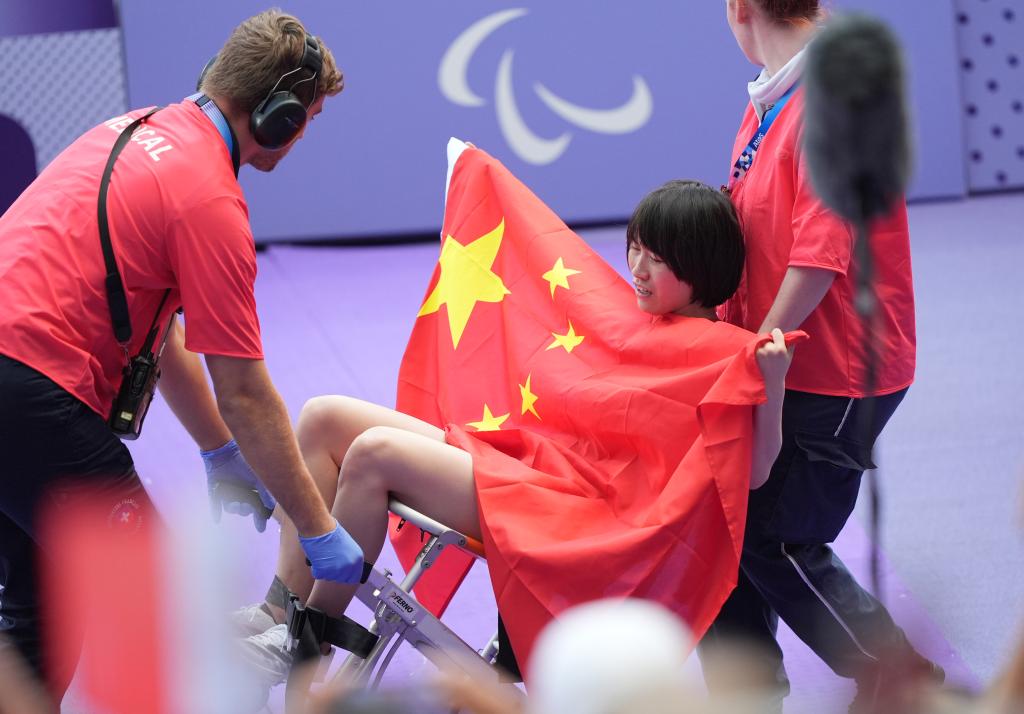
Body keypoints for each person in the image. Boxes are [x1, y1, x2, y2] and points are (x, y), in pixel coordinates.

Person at [233, 178, 797, 699]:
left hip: (569, 513)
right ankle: (280, 612)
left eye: (658, 258)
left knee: (372, 454)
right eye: (634, 249)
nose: (637, 268)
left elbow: (753, 475)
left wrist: (771, 385)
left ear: (700, 264)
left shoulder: (728, 356)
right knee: (323, 416)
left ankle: (304, 641)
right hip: (526, 462)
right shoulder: (628, 318)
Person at [0, 9, 366, 706]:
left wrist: (219, 451)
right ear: (278, 115)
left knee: (34, 620)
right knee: (165, 609)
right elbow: (245, 391)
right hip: (29, 391)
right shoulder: (208, 200)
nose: (302, 136)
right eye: (306, 119)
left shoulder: (134, 128)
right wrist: (317, 528)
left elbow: (156, 330)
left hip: (15, 383)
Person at [697, 2, 942, 712]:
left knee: (776, 539)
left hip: (835, 371)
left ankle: (900, 676)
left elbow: (819, 256)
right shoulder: (774, 96)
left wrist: (755, 352)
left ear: (741, 7)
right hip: (781, 356)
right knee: (724, 524)